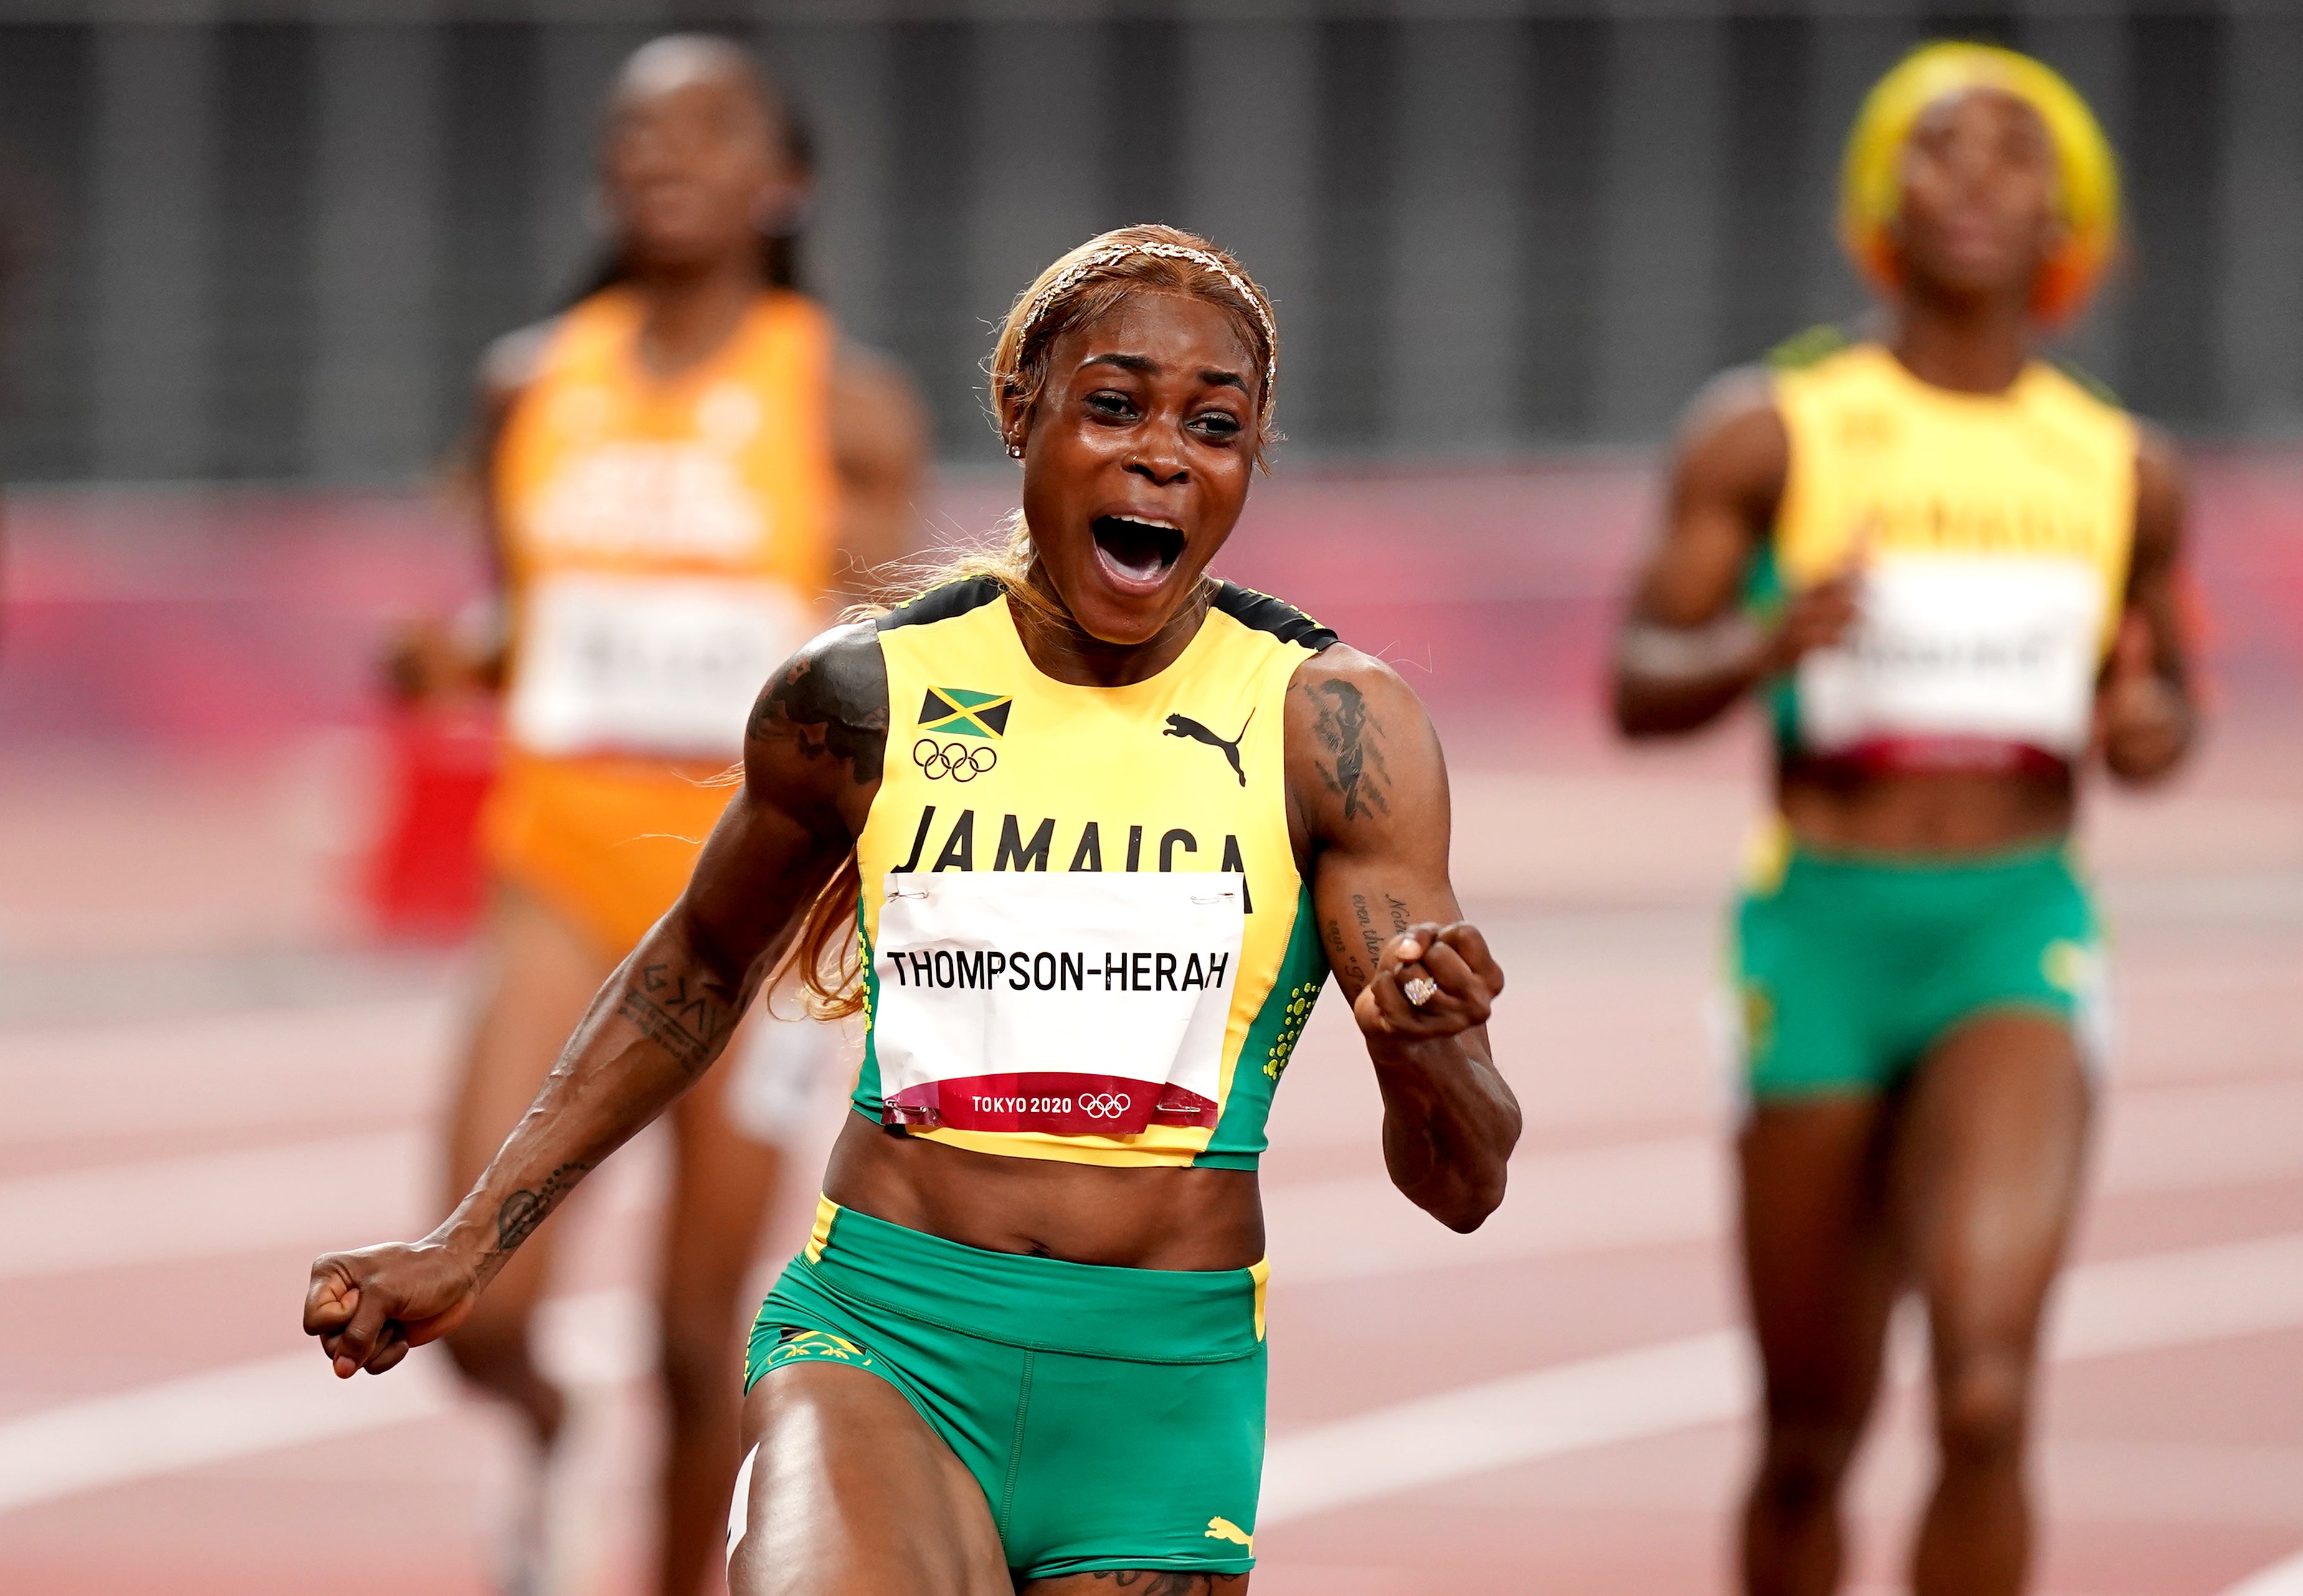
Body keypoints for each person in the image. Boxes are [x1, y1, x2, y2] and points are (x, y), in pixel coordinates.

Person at [307, 222, 1520, 1594]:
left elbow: (1463, 1186)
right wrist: (468, 1240)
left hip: (1156, 1387)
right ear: (1021, 410)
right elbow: (698, 964)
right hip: (883, 1336)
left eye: (1215, 425)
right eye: (1113, 406)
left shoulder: (1331, 726)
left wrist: (1431, 1052)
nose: (1162, 454)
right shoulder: (859, 698)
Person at [1610, 43, 2195, 1596]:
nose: (1981, 180)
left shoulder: (2123, 465)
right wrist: (1762, 640)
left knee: (1989, 1394)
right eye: (1942, 146)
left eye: (2021, 153)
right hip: (1820, 930)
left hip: (2016, 926)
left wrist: (2151, 728)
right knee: (1812, 1429)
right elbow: (1638, 678)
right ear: (1881, 192)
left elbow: (2162, 704)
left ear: (2072, 210)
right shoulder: (1776, 429)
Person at [390, 34, 925, 1596]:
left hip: (749, 896)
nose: (660, 155)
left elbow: (877, 640)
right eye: (634, 132)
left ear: (784, 182)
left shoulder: (842, 401)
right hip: (555, 869)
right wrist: (459, 651)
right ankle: (550, 1430)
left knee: (706, 1336)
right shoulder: (531, 381)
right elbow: (529, 612)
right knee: (477, 1299)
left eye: (705, 128)